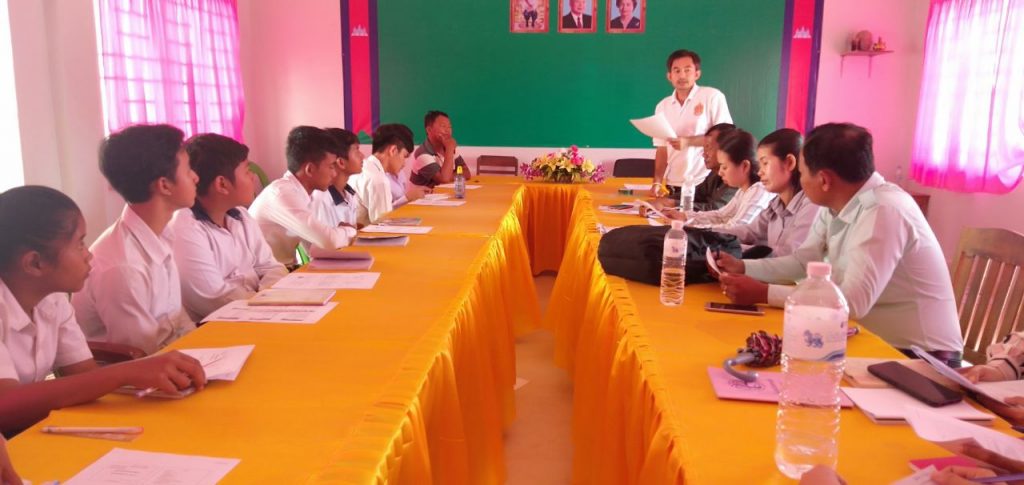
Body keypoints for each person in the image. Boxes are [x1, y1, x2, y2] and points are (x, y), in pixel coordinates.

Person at [714, 123, 963, 363]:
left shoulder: (884, 211)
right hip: (868, 339)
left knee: (788, 368)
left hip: (919, 356)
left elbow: (852, 302)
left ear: (824, 180)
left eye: (803, 173)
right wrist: (742, 267)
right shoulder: (836, 204)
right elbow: (802, 262)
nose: (800, 180)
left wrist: (764, 293)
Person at [0, 186, 206, 433]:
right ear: (35, 263)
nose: (89, 255)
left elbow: (82, 374)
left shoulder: (52, 299)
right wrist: (123, 373)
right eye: (79, 244)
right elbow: (6, 406)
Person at [72, 124, 198, 354]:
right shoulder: (123, 266)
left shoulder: (160, 235)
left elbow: (177, 320)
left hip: (173, 356)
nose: (196, 177)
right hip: (141, 369)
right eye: (189, 170)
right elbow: (139, 355)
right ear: (164, 185)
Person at [168, 134, 287, 321]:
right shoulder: (185, 227)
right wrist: (264, 303)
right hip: (219, 325)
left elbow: (271, 267)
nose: (253, 177)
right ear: (222, 184)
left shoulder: (241, 216)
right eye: (247, 171)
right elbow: (213, 299)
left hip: (261, 313)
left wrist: (267, 297)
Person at [716, 129, 820, 301]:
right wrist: (708, 234)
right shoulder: (776, 204)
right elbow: (748, 232)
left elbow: (789, 256)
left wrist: (733, 254)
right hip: (772, 286)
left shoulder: (811, 205)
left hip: (794, 297)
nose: (759, 172)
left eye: (765, 163)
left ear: (789, 162)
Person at [249, 126, 358, 266]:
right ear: (310, 169)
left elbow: (316, 245)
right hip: (264, 274)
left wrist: (338, 233)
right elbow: (328, 241)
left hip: (281, 269)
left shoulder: (303, 194)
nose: (334, 173)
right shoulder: (282, 194)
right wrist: (349, 230)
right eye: (331, 166)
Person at [650, 49, 733, 202]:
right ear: (669, 76)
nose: (682, 75)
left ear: (697, 74)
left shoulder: (712, 96)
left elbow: (726, 137)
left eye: (687, 70)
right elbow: (661, 148)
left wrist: (688, 142)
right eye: (677, 71)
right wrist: (657, 181)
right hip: (673, 183)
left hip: (705, 182)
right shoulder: (662, 106)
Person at [662, 129, 774, 230]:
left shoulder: (759, 190)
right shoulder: (743, 190)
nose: (720, 172)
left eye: (724, 167)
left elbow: (736, 229)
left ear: (744, 166)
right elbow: (721, 216)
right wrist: (684, 216)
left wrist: (688, 225)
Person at [349, 123, 428, 226]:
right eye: (404, 156)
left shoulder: (365, 168)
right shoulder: (378, 180)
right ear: (393, 150)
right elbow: (384, 226)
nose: (404, 163)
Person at [312, 128, 365, 229]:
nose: (363, 156)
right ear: (341, 162)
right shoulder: (322, 199)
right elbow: (325, 238)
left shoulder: (349, 193)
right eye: (357, 150)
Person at [410, 111, 472, 188]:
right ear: (429, 130)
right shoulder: (422, 154)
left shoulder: (448, 146)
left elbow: (467, 172)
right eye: (443, 126)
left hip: (443, 192)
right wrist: (449, 149)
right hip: (423, 195)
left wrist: (449, 177)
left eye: (450, 127)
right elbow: (444, 179)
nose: (448, 130)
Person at [692, 123, 738, 211]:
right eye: (704, 148)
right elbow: (696, 195)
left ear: (726, 148)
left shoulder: (737, 176)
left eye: (708, 147)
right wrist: (668, 200)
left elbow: (717, 210)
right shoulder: (714, 173)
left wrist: (674, 203)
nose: (704, 154)